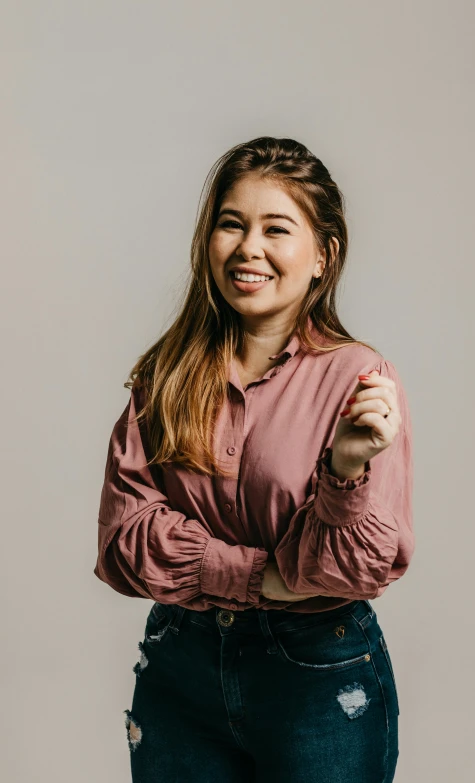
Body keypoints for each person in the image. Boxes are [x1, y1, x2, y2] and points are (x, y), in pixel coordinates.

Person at [94, 136, 415, 782]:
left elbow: (349, 570)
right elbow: (125, 540)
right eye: (231, 224)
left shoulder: (358, 380)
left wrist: (345, 469)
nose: (249, 248)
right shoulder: (168, 374)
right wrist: (258, 576)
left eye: (277, 228)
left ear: (323, 256)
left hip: (317, 678)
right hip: (180, 667)